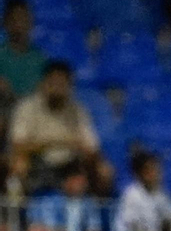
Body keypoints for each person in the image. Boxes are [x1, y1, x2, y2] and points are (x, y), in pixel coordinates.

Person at [8, 59, 110, 197]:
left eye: (62, 84)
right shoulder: (27, 107)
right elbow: (18, 146)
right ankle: (18, 214)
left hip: (69, 166)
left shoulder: (78, 111)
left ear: (69, 86)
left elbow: (92, 146)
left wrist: (88, 155)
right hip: (38, 164)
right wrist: (57, 142)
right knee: (18, 165)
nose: (57, 88)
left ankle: (95, 212)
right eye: (53, 83)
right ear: (44, 83)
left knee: (104, 170)